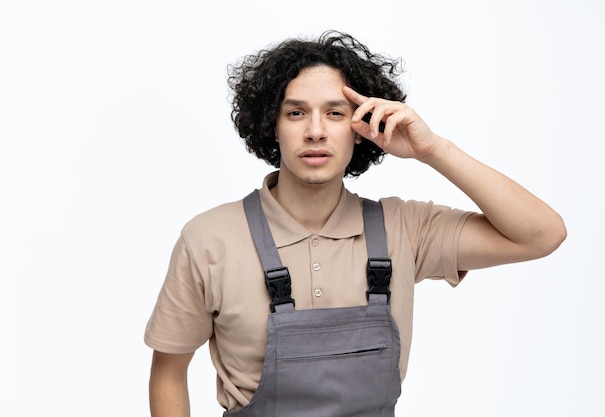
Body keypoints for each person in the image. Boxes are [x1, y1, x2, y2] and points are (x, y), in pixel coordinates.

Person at [144, 30, 566, 417]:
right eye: (295, 113)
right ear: (271, 126)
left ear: (362, 126)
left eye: (335, 113)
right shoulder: (210, 239)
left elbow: (542, 235)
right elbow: (168, 371)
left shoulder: (405, 228)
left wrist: (433, 149)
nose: (315, 132)